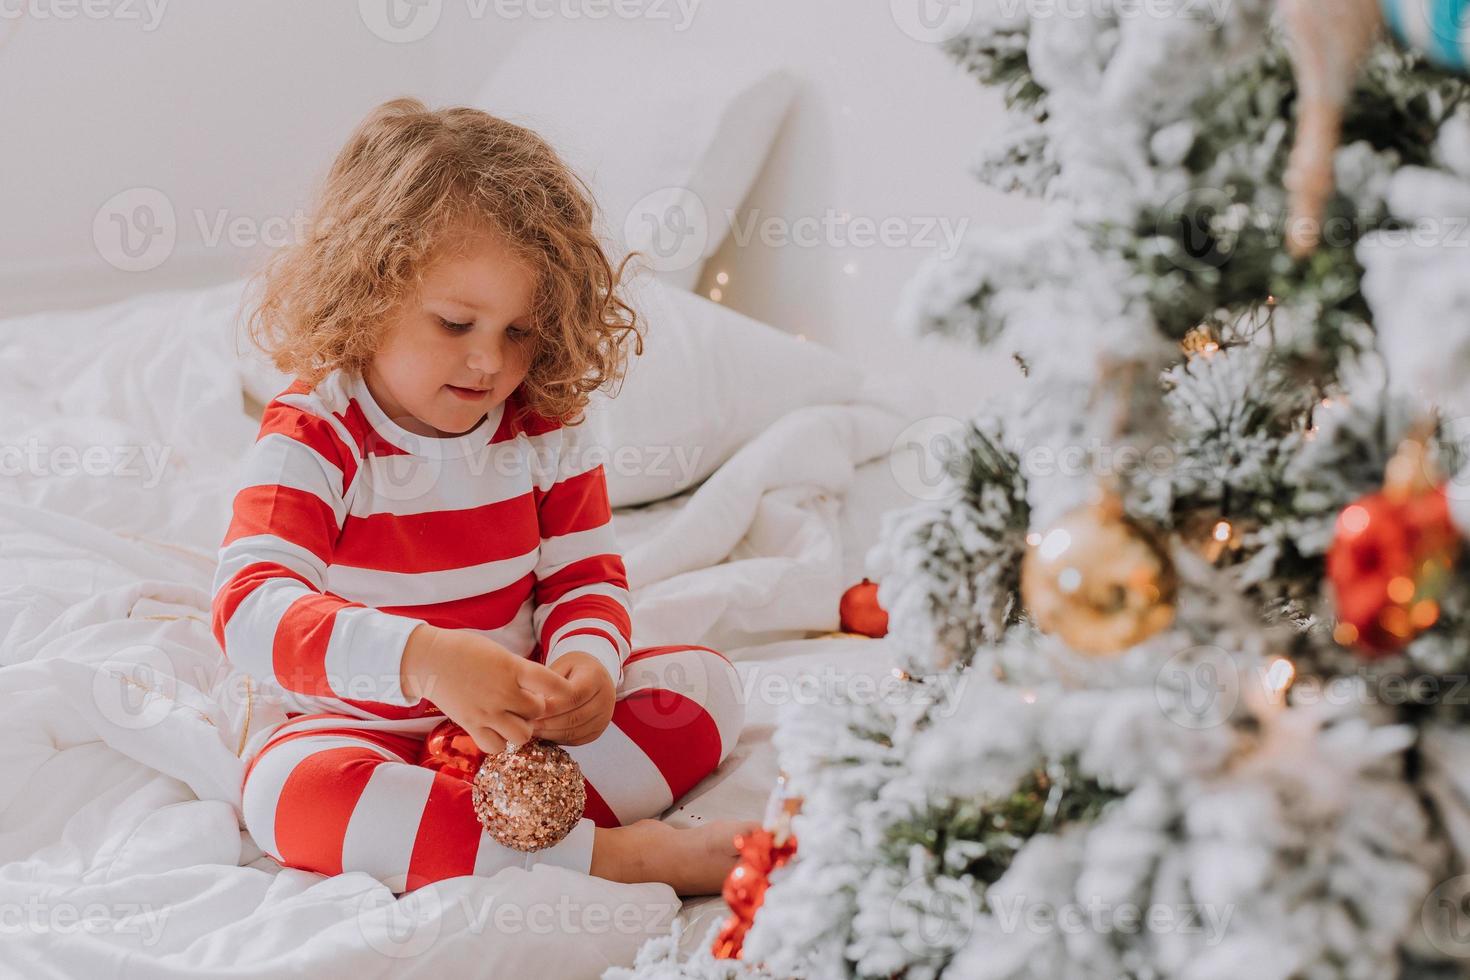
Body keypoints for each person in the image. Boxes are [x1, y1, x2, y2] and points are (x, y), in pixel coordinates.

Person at [213, 97, 755, 896]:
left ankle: (483, 831)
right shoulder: (316, 432)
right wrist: (424, 660)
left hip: (517, 737)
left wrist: (585, 665)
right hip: (357, 724)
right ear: (368, 295)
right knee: (291, 800)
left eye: (519, 332)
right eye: (456, 323)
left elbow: (584, 578)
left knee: (706, 691)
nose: (488, 365)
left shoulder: (541, 425)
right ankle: (613, 857)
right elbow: (249, 607)